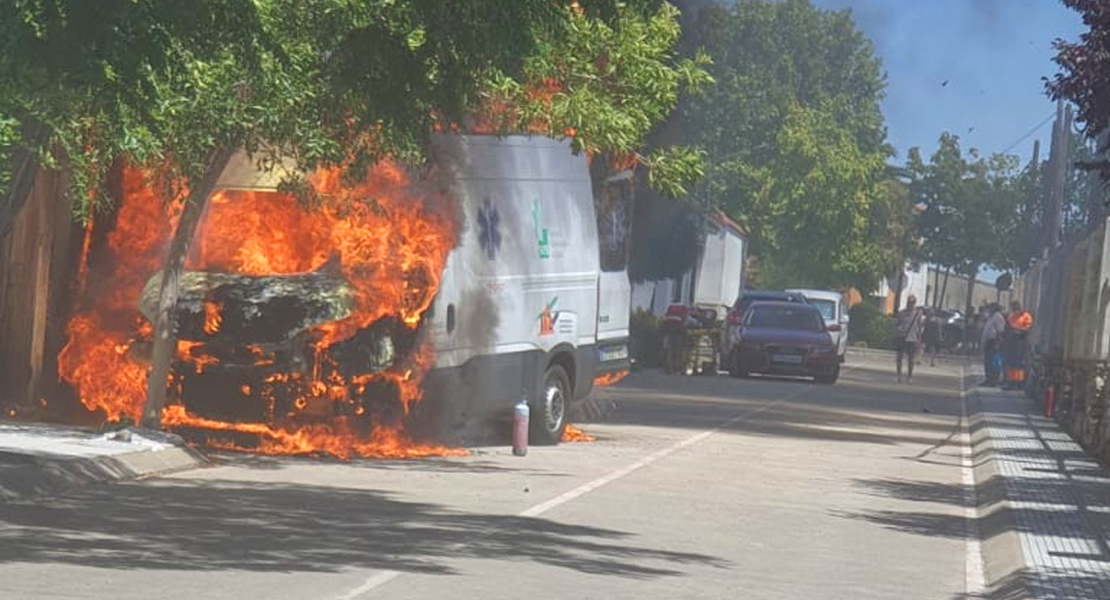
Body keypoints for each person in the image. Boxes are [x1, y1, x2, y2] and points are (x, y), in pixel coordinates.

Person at [1002, 301, 1033, 390]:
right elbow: (1007, 327)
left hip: (1021, 343)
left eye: (1016, 309)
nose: (1015, 311)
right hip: (1011, 343)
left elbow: (1027, 330)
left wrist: (1017, 331)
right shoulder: (1011, 316)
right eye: (1013, 309)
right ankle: (1011, 382)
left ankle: (1018, 384)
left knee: (1019, 364)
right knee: (1011, 364)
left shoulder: (1026, 317)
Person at [895, 295, 925, 383]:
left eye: (912, 302)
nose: (910, 304)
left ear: (914, 303)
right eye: (909, 302)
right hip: (902, 337)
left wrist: (919, 339)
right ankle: (898, 375)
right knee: (899, 357)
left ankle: (909, 377)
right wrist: (898, 331)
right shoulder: (902, 313)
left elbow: (920, 327)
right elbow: (897, 324)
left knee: (911, 359)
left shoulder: (918, 314)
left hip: (912, 338)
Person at [980, 304, 1006, 387]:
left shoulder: (998, 317)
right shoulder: (991, 317)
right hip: (988, 342)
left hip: (994, 342)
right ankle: (988, 379)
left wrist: (998, 343)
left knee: (993, 363)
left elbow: (1000, 331)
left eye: (990, 308)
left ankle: (993, 381)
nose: (988, 309)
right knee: (987, 362)